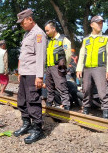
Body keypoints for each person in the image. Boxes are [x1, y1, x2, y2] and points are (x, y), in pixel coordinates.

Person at [13, 9, 47, 144]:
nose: (21, 25)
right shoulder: (27, 34)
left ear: (30, 19)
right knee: (22, 99)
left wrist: (39, 76)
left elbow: (40, 57)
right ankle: (26, 124)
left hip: (33, 73)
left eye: (22, 22)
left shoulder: (39, 34)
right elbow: (24, 55)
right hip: (25, 73)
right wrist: (20, 72)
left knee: (33, 100)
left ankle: (37, 129)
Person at [76, 15, 108, 119]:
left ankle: (106, 110)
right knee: (86, 89)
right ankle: (86, 108)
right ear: (91, 25)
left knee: (102, 90)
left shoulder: (105, 38)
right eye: (98, 23)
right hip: (87, 69)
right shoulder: (86, 39)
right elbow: (81, 54)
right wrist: (79, 68)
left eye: (101, 23)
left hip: (100, 68)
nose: (100, 25)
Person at [44, 20, 72, 110]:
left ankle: (66, 105)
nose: (46, 32)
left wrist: (65, 66)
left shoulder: (63, 39)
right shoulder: (49, 41)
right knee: (49, 87)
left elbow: (68, 54)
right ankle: (49, 103)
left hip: (58, 66)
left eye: (47, 30)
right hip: (49, 67)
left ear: (53, 29)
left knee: (62, 86)